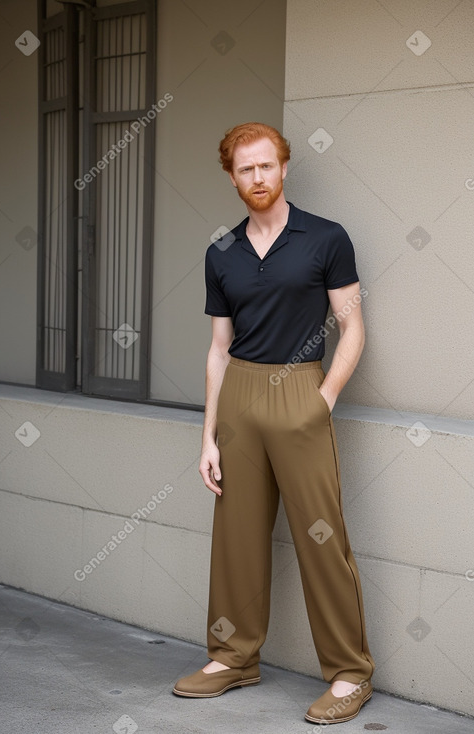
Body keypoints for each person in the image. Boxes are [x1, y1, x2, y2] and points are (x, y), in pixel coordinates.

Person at [172, 122, 374, 724]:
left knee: (322, 536)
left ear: (284, 167)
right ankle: (232, 657)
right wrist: (207, 434)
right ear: (232, 176)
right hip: (240, 399)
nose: (257, 178)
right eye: (244, 169)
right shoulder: (222, 252)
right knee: (235, 539)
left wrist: (325, 396)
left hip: (301, 391)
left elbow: (352, 325)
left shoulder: (327, 238)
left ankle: (349, 672)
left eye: (266, 166)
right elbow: (217, 348)